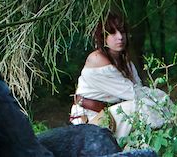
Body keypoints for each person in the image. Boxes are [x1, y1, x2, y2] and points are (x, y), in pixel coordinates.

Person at [69, 11, 171, 140]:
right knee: (139, 107)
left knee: (148, 107)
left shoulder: (126, 62)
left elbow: (138, 90)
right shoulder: (97, 59)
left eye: (122, 32)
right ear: (103, 37)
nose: (120, 37)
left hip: (112, 113)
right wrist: (162, 98)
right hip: (91, 119)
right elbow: (133, 94)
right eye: (112, 32)